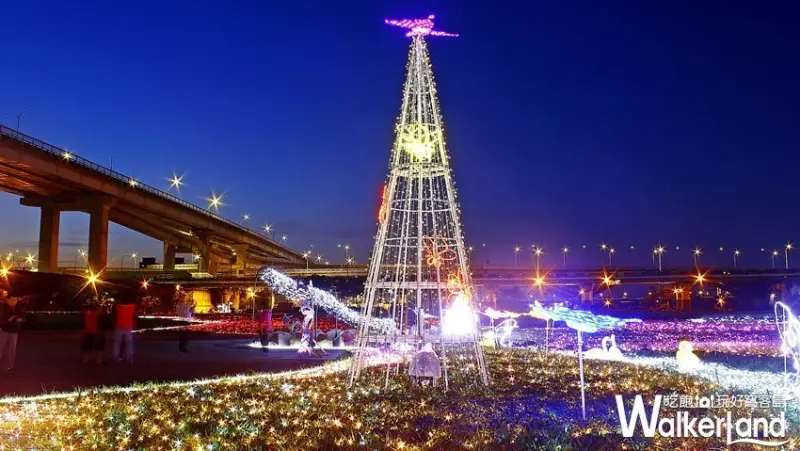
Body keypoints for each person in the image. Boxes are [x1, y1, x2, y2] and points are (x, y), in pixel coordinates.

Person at [0, 293, 25, 373]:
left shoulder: (18, 307)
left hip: (14, 332)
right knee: (1, 348)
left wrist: (21, 319)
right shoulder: (3, 307)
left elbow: (23, 316)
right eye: (12, 299)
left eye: (15, 299)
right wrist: (8, 320)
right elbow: (1, 320)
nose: (14, 301)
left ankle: (8, 366)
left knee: (11, 350)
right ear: (8, 300)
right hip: (4, 331)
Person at [113, 295, 136, 363]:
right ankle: (129, 357)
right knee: (129, 342)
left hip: (119, 325)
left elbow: (114, 312)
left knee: (118, 342)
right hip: (129, 325)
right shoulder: (132, 306)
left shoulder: (118, 306)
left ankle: (116, 356)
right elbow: (134, 315)